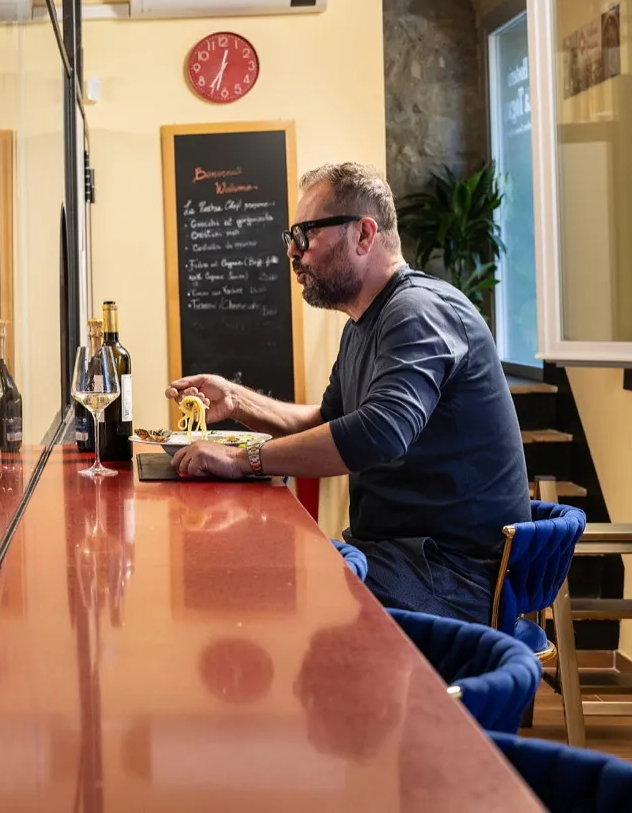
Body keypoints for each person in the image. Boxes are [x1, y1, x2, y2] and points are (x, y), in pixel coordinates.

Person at [166, 162, 530, 624]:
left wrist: (245, 460)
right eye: (290, 238)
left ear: (363, 234)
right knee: (266, 581)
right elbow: (327, 422)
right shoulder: (365, 323)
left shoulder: (418, 312)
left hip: (449, 575)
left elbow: (381, 432)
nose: (293, 254)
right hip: (399, 558)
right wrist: (238, 402)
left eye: (305, 235)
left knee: (278, 596)